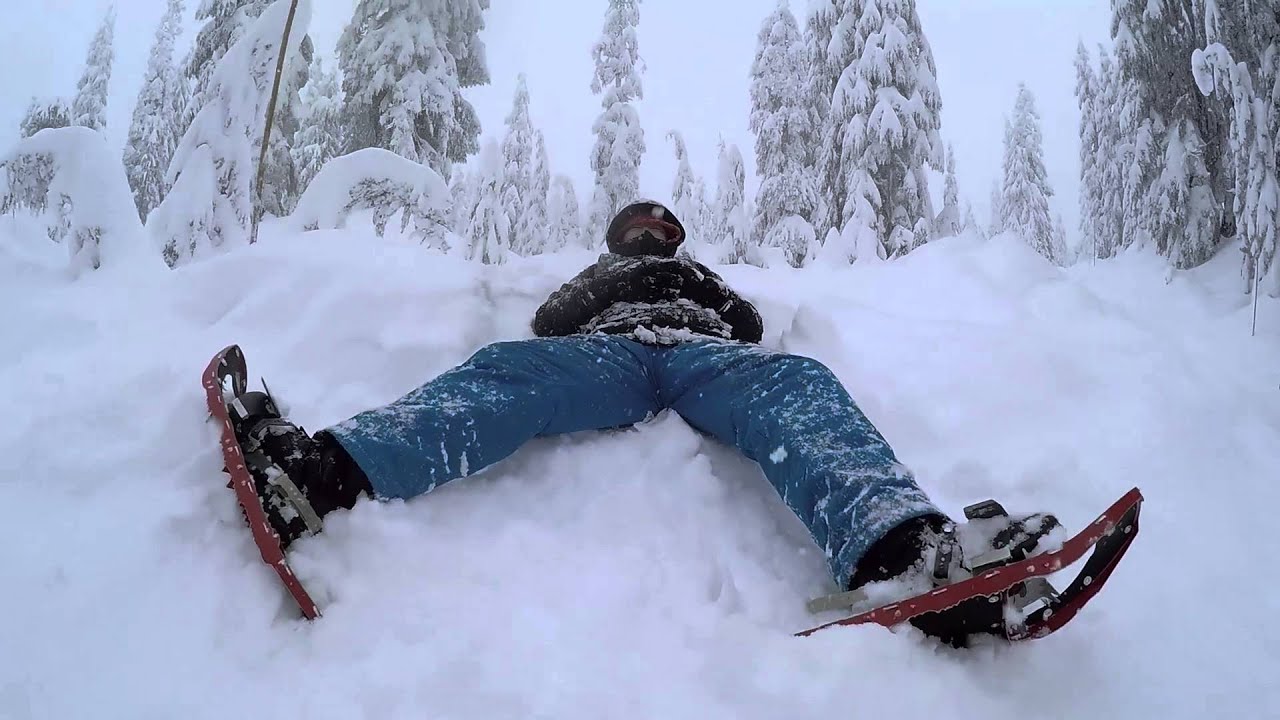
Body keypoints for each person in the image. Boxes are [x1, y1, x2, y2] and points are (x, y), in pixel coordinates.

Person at [229, 200, 1060, 647]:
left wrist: (693, 292)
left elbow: (742, 327)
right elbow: (552, 322)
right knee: (507, 374)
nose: (658, 236)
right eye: (646, 230)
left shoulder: (700, 278)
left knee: (798, 383)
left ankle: (910, 555)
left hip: (700, 360)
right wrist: (620, 289)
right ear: (622, 232)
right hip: (611, 358)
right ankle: (325, 475)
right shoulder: (600, 273)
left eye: (666, 231)